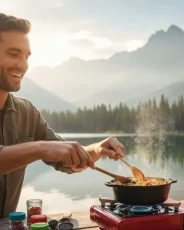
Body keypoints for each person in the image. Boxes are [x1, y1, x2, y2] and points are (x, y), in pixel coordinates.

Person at [0, 13, 125, 219]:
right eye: (14, 54)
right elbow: (47, 149)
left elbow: (65, 159)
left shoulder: (27, 112)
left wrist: (96, 149)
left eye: (26, 56)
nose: (23, 65)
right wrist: (41, 148)